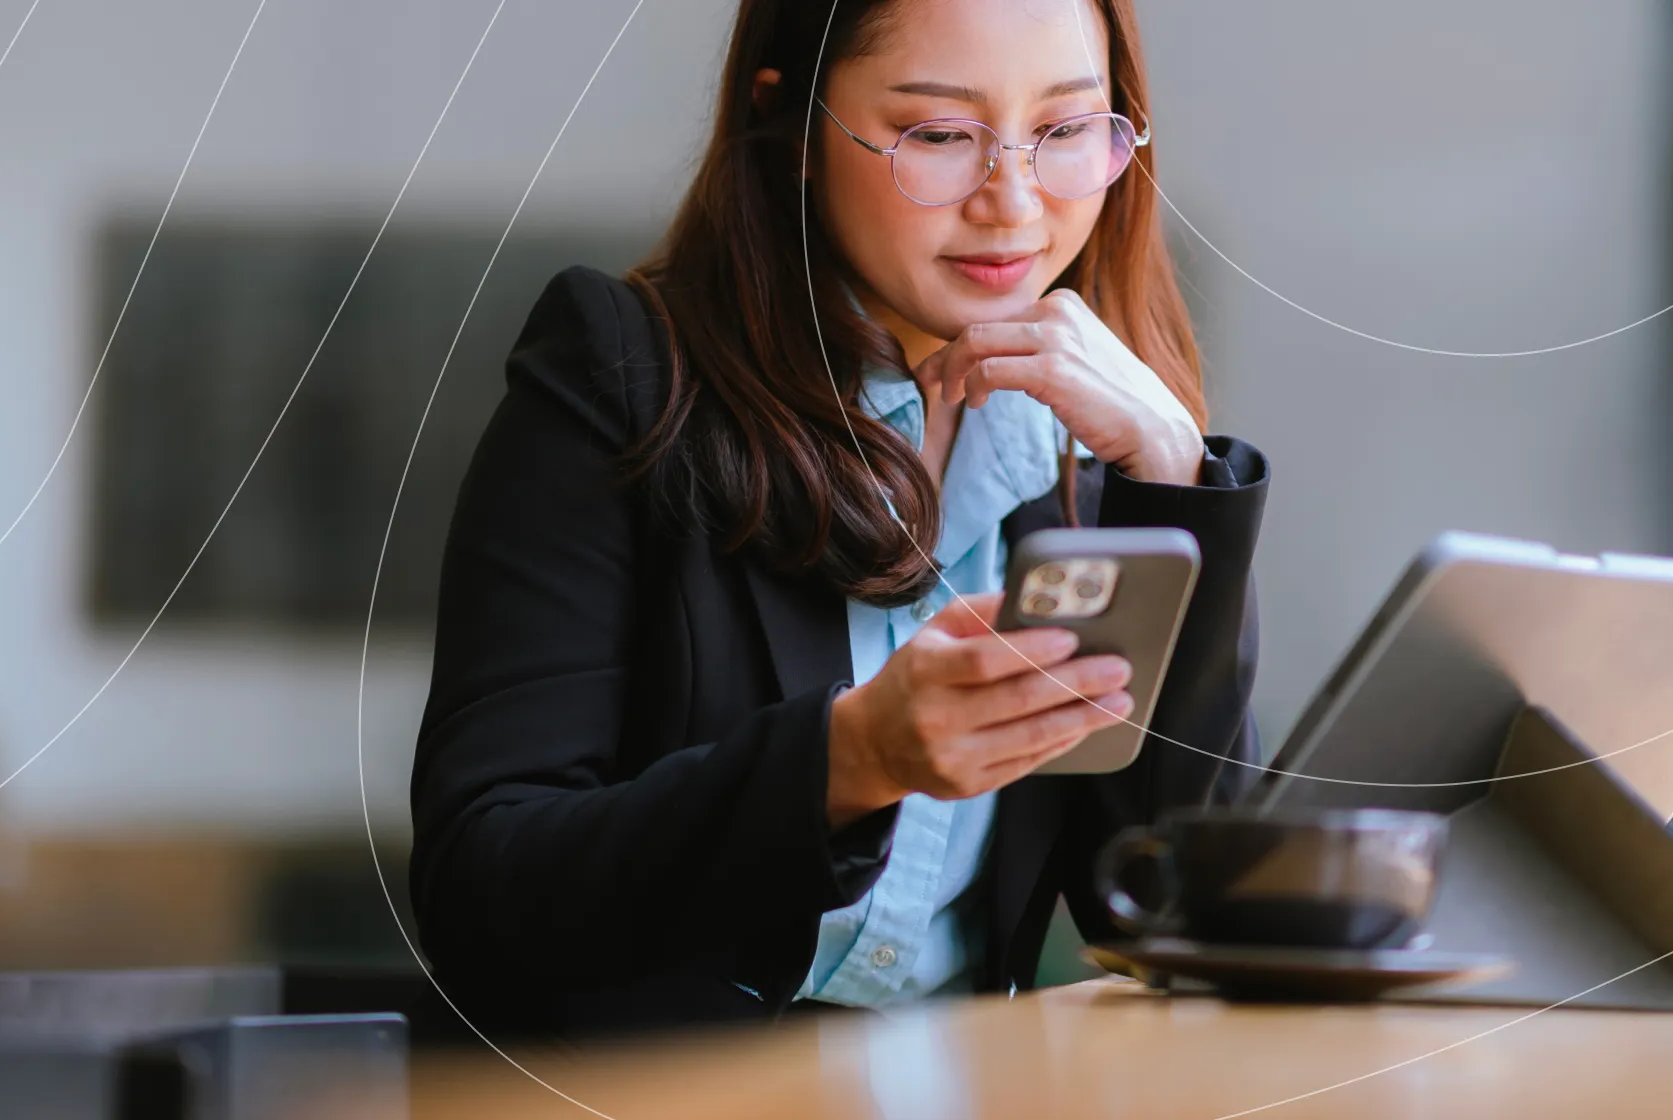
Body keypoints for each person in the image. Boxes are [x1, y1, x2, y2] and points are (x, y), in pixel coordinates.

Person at [409, 0, 1267, 1039]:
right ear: (789, 128)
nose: (1014, 202)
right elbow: (482, 889)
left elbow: (1179, 904)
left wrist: (1174, 482)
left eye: (1067, 131)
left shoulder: (1087, 440)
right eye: (941, 136)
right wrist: (849, 760)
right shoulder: (625, 377)